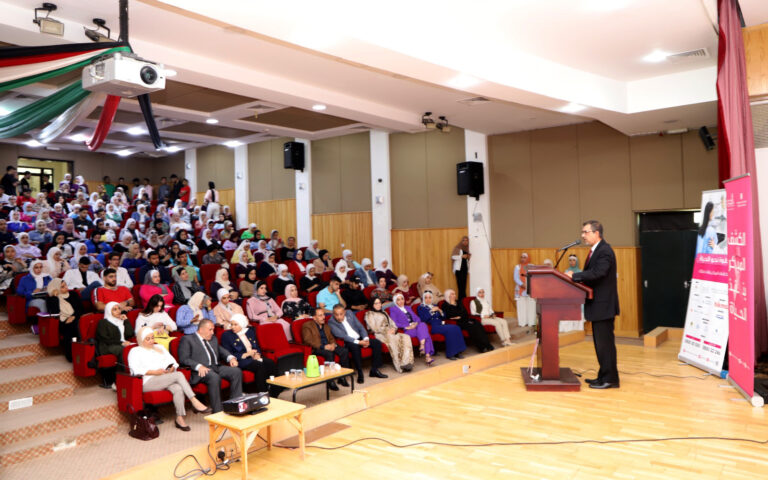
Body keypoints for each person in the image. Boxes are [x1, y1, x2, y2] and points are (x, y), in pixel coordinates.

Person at [566, 220, 620, 390]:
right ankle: (603, 376)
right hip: (598, 306)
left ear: (597, 233)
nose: (583, 235)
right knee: (600, 345)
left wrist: (575, 276)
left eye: (586, 232)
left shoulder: (605, 251)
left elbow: (599, 273)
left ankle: (610, 379)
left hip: (603, 306)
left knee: (605, 345)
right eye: (582, 232)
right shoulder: (596, 250)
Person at [129, 327, 212, 430]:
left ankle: (180, 418)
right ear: (141, 340)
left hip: (164, 378)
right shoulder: (135, 351)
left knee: (178, 388)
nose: (151, 341)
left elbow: (173, 363)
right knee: (179, 375)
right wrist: (155, 372)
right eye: (148, 339)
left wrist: (171, 368)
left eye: (152, 338)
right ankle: (194, 401)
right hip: (147, 382)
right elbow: (135, 370)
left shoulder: (159, 347)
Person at [178, 319, 243, 413]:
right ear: (201, 330)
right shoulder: (187, 339)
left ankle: (235, 404)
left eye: (213, 330)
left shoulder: (213, 338)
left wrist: (231, 358)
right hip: (200, 371)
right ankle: (217, 411)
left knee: (236, 371)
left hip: (216, 367)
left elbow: (221, 350)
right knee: (214, 377)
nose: (212, 332)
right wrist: (198, 366)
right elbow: (184, 359)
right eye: (210, 330)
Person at [220, 314, 279, 396]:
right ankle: (263, 392)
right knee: (259, 365)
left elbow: (257, 346)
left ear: (242, 324)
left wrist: (257, 354)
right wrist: (246, 354)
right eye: (231, 324)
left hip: (253, 356)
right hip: (241, 360)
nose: (232, 327)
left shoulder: (249, 331)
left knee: (270, 362)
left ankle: (275, 389)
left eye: (235, 324)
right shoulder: (226, 335)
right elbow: (228, 353)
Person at [329, 304, 388, 383]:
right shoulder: (331, 322)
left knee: (377, 343)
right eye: (336, 314)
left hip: (359, 337)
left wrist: (366, 339)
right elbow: (343, 336)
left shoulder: (349, 313)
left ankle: (374, 370)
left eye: (341, 314)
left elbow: (360, 327)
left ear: (344, 312)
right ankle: (360, 373)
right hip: (348, 341)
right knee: (355, 347)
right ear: (333, 314)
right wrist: (359, 342)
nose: (339, 317)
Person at [300, 308, 350, 391]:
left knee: (344, 351)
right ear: (314, 317)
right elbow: (308, 340)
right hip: (317, 348)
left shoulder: (326, 326)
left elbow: (331, 338)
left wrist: (333, 344)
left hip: (328, 346)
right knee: (329, 353)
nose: (323, 317)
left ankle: (342, 377)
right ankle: (330, 381)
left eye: (323, 314)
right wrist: (323, 347)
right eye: (320, 315)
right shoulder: (307, 325)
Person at [365, 297, 414, 373]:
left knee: (406, 337)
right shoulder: (369, 314)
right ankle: (399, 366)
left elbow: (392, 323)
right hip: (380, 334)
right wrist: (386, 331)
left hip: (391, 332)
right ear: (372, 305)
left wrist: (394, 329)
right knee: (392, 339)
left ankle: (407, 362)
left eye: (379, 303)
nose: (379, 305)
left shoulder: (384, 312)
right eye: (376, 303)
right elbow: (373, 328)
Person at [95, 301, 135, 389]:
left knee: (135, 348)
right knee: (123, 350)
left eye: (119, 309)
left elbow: (130, 334)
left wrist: (126, 321)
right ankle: (119, 381)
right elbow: (105, 339)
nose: (118, 311)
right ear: (109, 311)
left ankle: (134, 375)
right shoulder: (103, 322)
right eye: (114, 309)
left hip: (120, 344)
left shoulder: (120, 321)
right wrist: (121, 343)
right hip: (107, 346)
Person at [417, 292, 466, 360]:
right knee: (450, 330)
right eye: (426, 298)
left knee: (456, 327)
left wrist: (440, 311)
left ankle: (458, 352)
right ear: (423, 299)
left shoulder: (435, 305)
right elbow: (423, 319)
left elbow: (444, 317)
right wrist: (431, 311)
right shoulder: (421, 307)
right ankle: (451, 354)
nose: (428, 299)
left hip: (441, 324)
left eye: (430, 298)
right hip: (433, 326)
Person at [388, 293, 434, 366]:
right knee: (425, 333)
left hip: (415, 326)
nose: (401, 301)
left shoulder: (408, 308)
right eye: (398, 300)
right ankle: (427, 356)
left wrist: (415, 324)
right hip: (408, 330)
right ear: (395, 301)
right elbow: (394, 323)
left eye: (402, 299)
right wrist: (407, 327)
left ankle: (422, 345)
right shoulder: (393, 309)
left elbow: (417, 319)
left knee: (422, 324)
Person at [45, 278, 83, 361]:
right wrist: (55, 297)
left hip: (76, 317)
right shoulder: (51, 299)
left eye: (65, 285)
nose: (66, 287)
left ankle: (78, 352)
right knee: (70, 327)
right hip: (62, 321)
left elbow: (80, 309)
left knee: (74, 325)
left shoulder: (73, 294)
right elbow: (54, 312)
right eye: (62, 287)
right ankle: (71, 355)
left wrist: (73, 316)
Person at [514, 252, 536, 327]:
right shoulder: (517, 267)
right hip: (520, 289)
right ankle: (522, 323)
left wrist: (528, 285)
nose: (522, 259)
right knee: (521, 306)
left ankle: (531, 322)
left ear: (528, 258)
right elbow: (516, 278)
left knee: (531, 306)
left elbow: (534, 277)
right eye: (521, 257)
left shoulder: (532, 266)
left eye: (524, 257)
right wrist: (522, 284)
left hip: (530, 288)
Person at [451, 236, 471, 300]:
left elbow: (467, 260)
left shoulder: (468, 249)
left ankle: (464, 300)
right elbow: (453, 257)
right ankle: (460, 300)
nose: (465, 242)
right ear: (461, 241)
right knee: (460, 286)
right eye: (463, 240)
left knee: (464, 286)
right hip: (459, 269)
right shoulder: (457, 248)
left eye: (466, 240)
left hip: (465, 269)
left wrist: (468, 257)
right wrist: (461, 256)